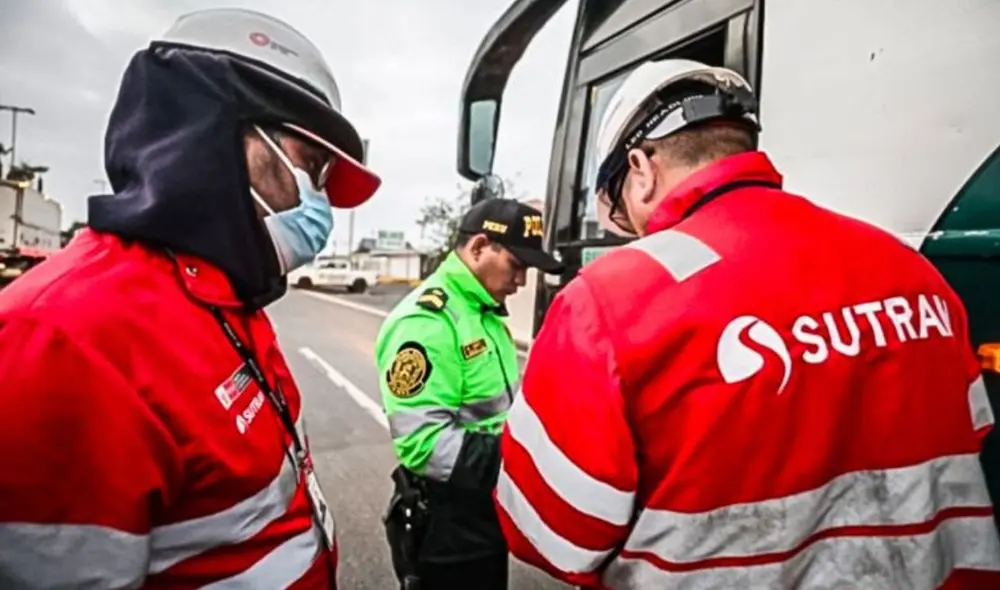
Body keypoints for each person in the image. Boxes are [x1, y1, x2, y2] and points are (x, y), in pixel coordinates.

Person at [493, 58, 1000, 589]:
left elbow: (546, 530)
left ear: (640, 170)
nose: (632, 234)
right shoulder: (911, 270)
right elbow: (971, 433)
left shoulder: (607, 303)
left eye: (621, 215)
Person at [0, 8, 379, 588]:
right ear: (213, 134)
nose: (321, 202)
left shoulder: (225, 300)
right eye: (311, 167)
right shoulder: (64, 337)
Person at [376, 198, 564, 590]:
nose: (522, 281)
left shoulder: (485, 311)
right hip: (448, 523)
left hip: (484, 504)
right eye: (517, 265)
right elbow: (422, 444)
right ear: (479, 248)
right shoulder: (428, 322)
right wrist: (524, 458)